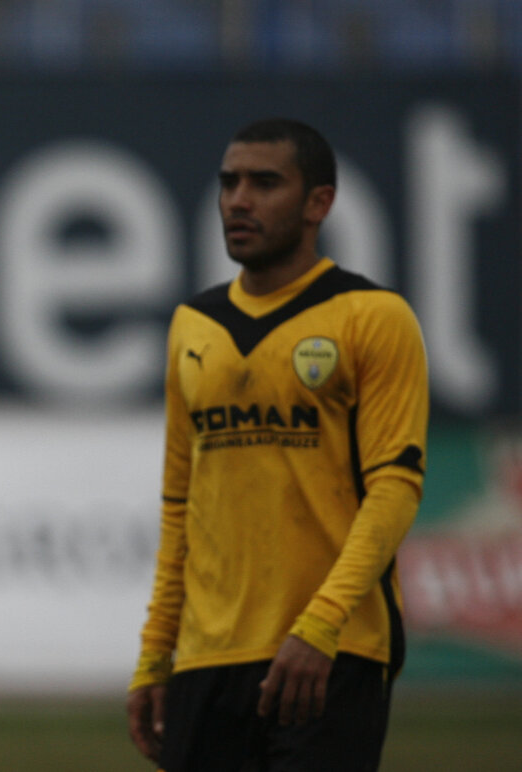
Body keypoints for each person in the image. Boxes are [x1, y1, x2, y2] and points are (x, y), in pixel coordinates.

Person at [126, 118, 428, 771]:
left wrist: (321, 626)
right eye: (229, 183)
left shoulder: (373, 317)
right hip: (206, 661)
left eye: (265, 183)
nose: (239, 200)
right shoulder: (193, 325)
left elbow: (396, 489)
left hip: (329, 652)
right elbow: (182, 506)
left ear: (319, 202)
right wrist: (156, 652)